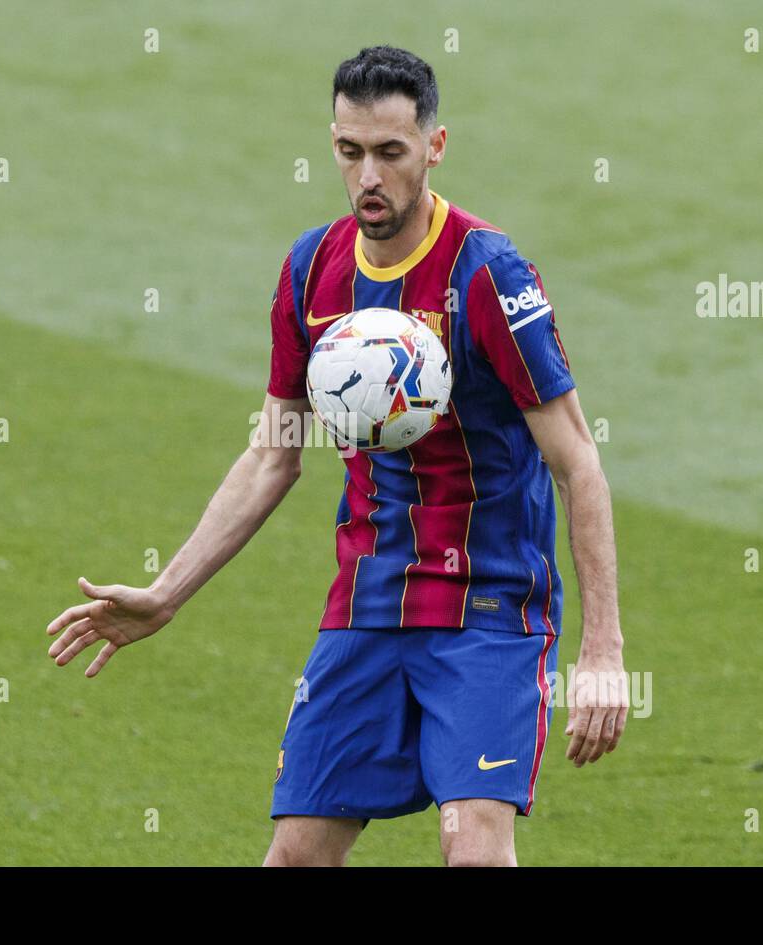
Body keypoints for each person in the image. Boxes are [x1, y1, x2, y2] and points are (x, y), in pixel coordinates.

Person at [46, 45, 627, 867]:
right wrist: (167, 593)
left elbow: (577, 460)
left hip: (490, 611)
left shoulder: (488, 274)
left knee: (473, 852)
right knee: (294, 857)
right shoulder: (311, 271)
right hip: (369, 604)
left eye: (390, 152)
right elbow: (273, 453)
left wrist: (601, 651)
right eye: (350, 152)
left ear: (435, 145)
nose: (368, 179)